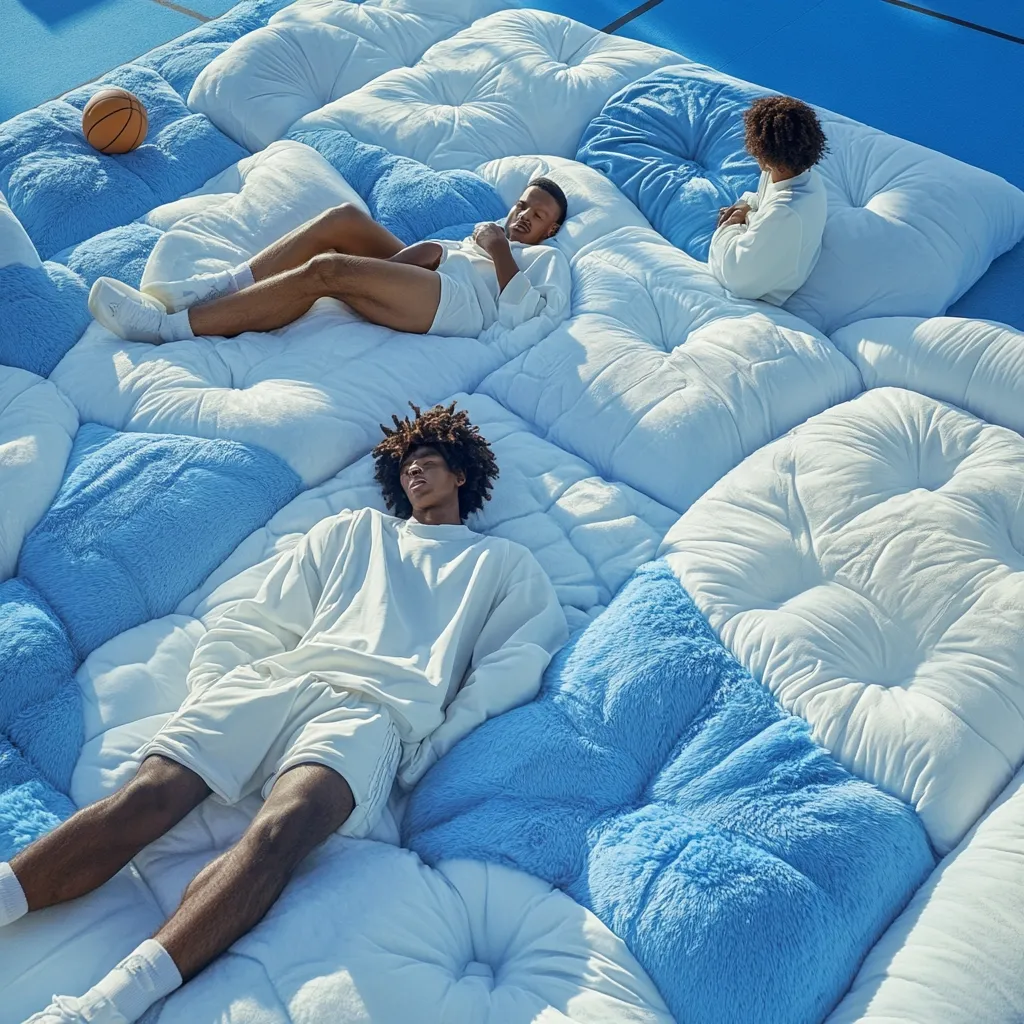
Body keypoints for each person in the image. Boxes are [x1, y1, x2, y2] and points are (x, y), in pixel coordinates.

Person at [3, 402, 569, 1024]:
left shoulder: (504, 565)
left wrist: (430, 746)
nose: (415, 473)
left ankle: (101, 1008)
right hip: (276, 682)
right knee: (147, 796)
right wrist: (213, 689)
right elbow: (260, 615)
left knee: (281, 832)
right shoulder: (352, 531)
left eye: (429, 462)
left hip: (372, 713)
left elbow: (509, 666)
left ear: (462, 474)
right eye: (406, 466)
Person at [88, 178, 571, 344]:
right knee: (342, 219)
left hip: (459, 306)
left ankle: (166, 329)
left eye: (539, 214)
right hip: (433, 273)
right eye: (523, 205)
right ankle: (219, 286)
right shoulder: (485, 231)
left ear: (552, 228)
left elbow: (524, 316)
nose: (525, 214)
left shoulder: (546, 260)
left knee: (328, 271)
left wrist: (499, 248)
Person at [709, 96, 829, 305]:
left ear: (768, 160)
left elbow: (738, 279)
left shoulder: (786, 212)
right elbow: (765, 202)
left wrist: (730, 225)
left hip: (769, 289)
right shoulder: (801, 176)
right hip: (775, 249)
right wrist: (746, 204)